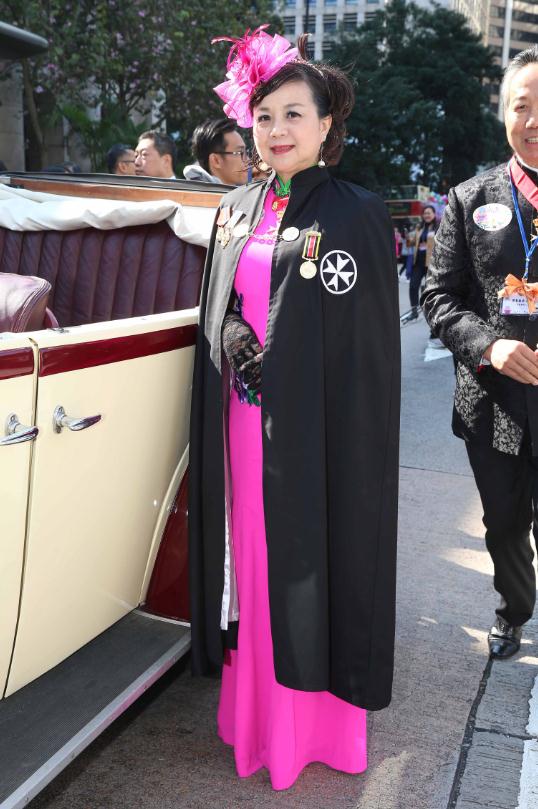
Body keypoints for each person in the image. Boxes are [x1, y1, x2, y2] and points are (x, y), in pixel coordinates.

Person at [189, 27, 400, 791]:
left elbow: (369, 351)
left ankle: (313, 731)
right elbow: (218, 304)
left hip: (320, 438)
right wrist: (233, 331)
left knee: (312, 565)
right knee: (253, 564)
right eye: (264, 116)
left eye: (293, 115)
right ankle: (254, 721)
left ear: (326, 124)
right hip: (246, 426)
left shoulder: (356, 213)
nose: (276, 130)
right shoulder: (235, 207)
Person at [422, 45, 538, 660]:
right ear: (504, 114)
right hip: (493, 403)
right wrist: (488, 345)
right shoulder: (470, 198)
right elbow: (437, 296)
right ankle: (514, 610)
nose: (534, 120)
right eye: (523, 106)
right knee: (503, 525)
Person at [183, 118, 249, 185]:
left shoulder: (244, 189)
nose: (248, 160)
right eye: (240, 152)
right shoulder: (192, 191)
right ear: (216, 160)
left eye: (246, 152)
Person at [407, 205, 437, 319]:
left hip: (431, 263)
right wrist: (408, 235)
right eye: (425, 213)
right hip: (418, 262)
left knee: (430, 289)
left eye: (429, 213)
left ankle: (432, 312)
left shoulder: (438, 228)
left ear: (434, 214)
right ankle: (414, 311)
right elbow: (411, 243)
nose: (426, 215)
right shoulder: (419, 228)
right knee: (413, 286)